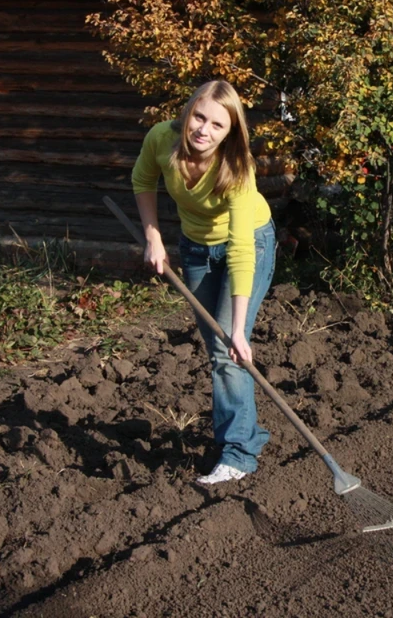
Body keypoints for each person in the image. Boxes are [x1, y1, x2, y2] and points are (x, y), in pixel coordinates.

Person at [131, 80, 275, 485]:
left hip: (248, 245)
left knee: (228, 351)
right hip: (195, 248)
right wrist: (153, 237)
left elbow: (242, 250)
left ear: (230, 133)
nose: (203, 130)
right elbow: (143, 181)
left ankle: (239, 455)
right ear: (188, 110)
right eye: (199, 117)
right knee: (217, 350)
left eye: (217, 125)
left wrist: (238, 329)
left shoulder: (237, 169)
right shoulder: (162, 138)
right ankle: (249, 434)